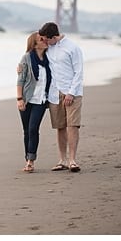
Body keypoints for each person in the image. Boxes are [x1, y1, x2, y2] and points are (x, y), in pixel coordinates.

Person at [38, 22, 84, 173]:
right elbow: (34, 56)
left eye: (46, 39)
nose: (44, 41)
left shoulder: (72, 47)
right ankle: (62, 160)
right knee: (60, 126)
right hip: (54, 92)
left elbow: (79, 72)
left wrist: (71, 92)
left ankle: (72, 160)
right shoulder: (48, 48)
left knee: (73, 126)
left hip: (72, 92)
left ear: (54, 37)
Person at [16, 32, 52, 173]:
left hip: (41, 101)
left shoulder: (50, 58)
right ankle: (28, 159)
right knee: (26, 131)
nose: (45, 41)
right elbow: (21, 80)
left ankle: (31, 160)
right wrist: (19, 99)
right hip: (26, 99)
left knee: (33, 129)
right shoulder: (26, 58)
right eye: (41, 39)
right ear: (34, 44)